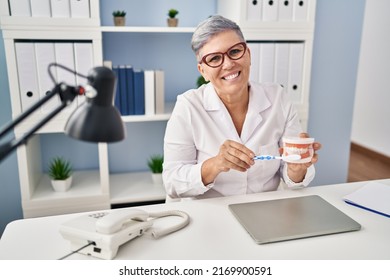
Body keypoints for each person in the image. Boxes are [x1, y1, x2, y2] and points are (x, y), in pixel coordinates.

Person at [163, 15, 321, 199]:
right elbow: (172, 182)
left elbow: (293, 177)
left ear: (248, 54)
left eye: (235, 51)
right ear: (203, 71)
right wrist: (215, 165)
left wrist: (296, 169)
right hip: (209, 215)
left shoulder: (278, 98)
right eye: (214, 59)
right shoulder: (188, 107)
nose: (229, 64)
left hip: (261, 212)